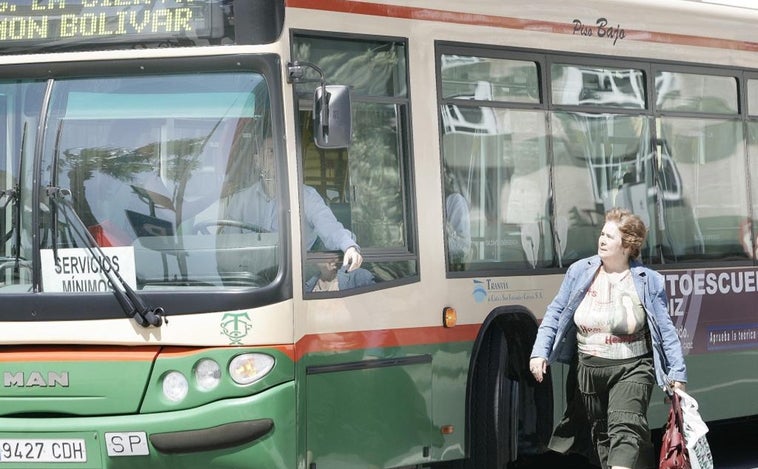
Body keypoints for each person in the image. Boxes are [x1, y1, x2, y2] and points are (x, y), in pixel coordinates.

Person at [529, 207, 687, 469]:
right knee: (603, 438)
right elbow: (556, 311)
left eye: (609, 237)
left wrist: (678, 374)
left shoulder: (648, 281)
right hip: (589, 369)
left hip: (633, 367)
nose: (601, 240)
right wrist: (539, 352)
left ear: (627, 245)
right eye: (601, 234)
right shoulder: (580, 271)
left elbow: (665, 330)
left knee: (625, 427)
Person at [224, 136, 363, 272]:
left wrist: (349, 246)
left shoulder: (306, 196)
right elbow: (228, 248)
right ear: (257, 161)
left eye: (282, 153)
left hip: (297, 276)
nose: (278, 159)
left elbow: (329, 226)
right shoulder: (240, 201)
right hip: (252, 277)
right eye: (271, 152)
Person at [304, 254, 374, 292]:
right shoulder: (306, 286)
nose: (332, 258)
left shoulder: (360, 277)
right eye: (325, 253)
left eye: (335, 253)